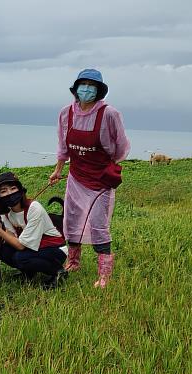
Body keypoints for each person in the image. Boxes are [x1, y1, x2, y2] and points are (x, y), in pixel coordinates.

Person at [48, 68, 130, 288]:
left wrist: (110, 165)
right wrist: (58, 170)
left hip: (100, 179)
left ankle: (104, 275)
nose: (86, 89)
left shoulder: (109, 114)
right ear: (75, 89)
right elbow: (63, 146)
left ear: (98, 90)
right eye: (82, 85)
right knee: (72, 219)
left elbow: (121, 146)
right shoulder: (66, 113)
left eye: (91, 86)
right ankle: (73, 262)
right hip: (76, 176)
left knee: (98, 224)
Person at [0, 172, 68, 289]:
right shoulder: (5, 214)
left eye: (13, 188)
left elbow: (21, 246)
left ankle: (58, 271)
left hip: (54, 249)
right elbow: (11, 237)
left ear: (20, 190)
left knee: (20, 257)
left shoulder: (34, 208)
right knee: (1, 249)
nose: (10, 193)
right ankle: (29, 272)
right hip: (32, 246)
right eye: (3, 191)